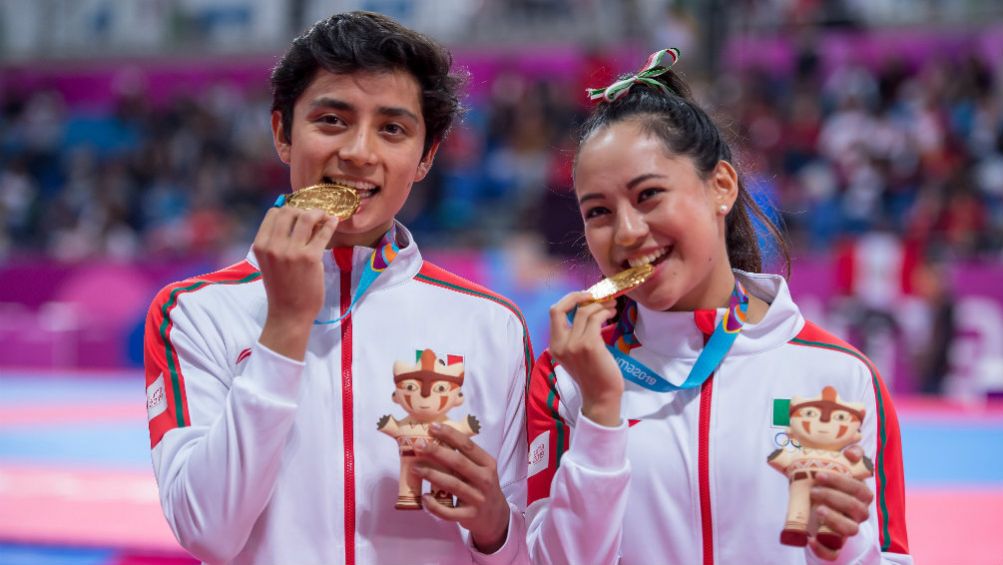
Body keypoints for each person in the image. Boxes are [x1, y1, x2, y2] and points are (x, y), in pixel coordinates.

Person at [143, 11, 532, 565]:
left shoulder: (492, 325)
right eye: (331, 120)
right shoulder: (195, 313)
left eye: (392, 129)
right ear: (282, 132)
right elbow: (207, 530)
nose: (359, 152)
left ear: (426, 156)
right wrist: (283, 328)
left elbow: (524, 549)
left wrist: (495, 525)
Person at [525, 49, 911, 565]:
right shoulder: (565, 375)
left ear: (721, 187)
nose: (627, 233)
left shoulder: (840, 374)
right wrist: (598, 413)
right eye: (598, 212)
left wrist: (842, 548)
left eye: (649, 196)